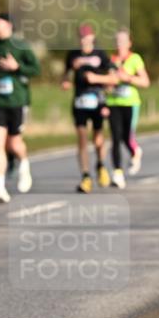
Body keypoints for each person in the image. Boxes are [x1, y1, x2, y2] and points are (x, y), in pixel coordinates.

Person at [0, 13, 38, 203]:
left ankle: (24, 165)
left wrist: (16, 67)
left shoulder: (21, 46)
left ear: (8, 25)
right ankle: (0, 186)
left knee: (14, 144)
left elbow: (35, 69)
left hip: (16, 101)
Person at [62, 24, 114, 193]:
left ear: (92, 37)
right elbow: (65, 75)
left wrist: (96, 78)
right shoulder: (72, 55)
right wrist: (66, 81)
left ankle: (101, 165)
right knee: (82, 139)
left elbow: (113, 77)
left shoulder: (101, 54)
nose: (84, 40)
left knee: (98, 139)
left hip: (97, 100)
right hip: (79, 101)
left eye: (87, 37)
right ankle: (85, 176)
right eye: (81, 37)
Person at [103, 28, 149, 188]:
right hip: (113, 103)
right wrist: (108, 84)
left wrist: (128, 78)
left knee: (126, 136)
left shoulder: (135, 59)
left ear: (129, 43)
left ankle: (135, 151)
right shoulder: (111, 60)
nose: (119, 44)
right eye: (117, 41)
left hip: (130, 103)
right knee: (115, 137)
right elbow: (107, 84)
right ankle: (117, 173)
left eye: (123, 41)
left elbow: (145, 82)